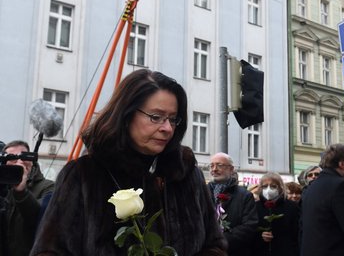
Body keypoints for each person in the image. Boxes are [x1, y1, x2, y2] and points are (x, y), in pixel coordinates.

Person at [31, 69, 227, 255]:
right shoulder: (85, 175)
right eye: (156, 117)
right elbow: (50, 250)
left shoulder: (185, 173)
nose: (167, 128)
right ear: (126, 115)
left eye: (173, 119)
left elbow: (214, 244)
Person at [1, 140, 55, 256]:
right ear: (5, 163)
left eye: (24, 157)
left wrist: (21, 191)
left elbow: (41, 218)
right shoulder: (3, 189)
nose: (19, 162)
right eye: (12, 157)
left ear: (32, 161)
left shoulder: (49, 187)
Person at [208, 152, 258, 256]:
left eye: (219, 165)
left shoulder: (245, 195)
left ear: (231, 169)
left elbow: (249, 226)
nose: (214, 169)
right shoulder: (202, 193)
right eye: (211, 165)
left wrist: (221, 240)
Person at [254, 172, 300, 256]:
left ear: (280, 188)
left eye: (273, 186)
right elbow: (250, 230)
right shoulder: (255, 207)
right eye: (265, 186)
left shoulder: (292, 207)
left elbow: (297, 233)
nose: (268, 189)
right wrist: (260, 235)